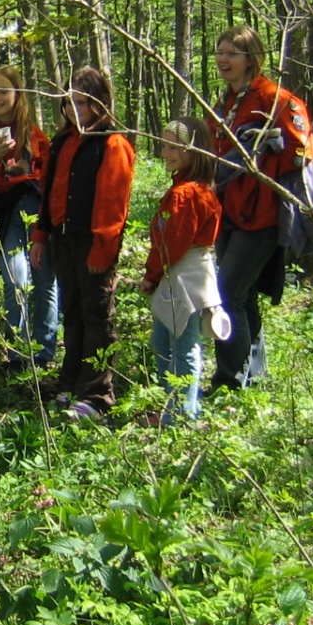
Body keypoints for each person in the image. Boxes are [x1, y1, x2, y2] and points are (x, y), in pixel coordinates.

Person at [207, 26, 313, 392]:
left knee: (227, 295)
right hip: (228, 212)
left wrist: (272, 146)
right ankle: (252, 376)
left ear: (251, 58)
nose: (223, 59)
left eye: (231, 53)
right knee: (243, 295)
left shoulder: (277, 100)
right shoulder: (223, 103)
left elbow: (303, 154)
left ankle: (228, 382)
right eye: (219, 53)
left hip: (263, 216)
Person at [30, 67, 136, 420]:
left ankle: (97, 395)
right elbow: (49, 194)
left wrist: (102, 249)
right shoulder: (62, 141)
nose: (73, 110)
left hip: (92, 244)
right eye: (68, 103)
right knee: (71, 313)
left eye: (82, 103)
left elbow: (113, 203)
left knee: (97, 315)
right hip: (62, 239)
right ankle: (70, 382)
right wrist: (41, 236)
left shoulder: (112, 144)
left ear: (99, 104)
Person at [0, 66, 59, 369]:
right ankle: (17, 354)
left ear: (17, 94)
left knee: (45, 278)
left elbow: (48, 179)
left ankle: (44, 352)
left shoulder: (33, 134)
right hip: (3, 212)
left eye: (3, 91)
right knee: (15, 277)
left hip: (35, 209)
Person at [139, 118, 226, 425]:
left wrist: (152, 274)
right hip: (183, 273)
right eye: (164, 145)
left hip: (183, 275)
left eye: (173, 147)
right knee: (165, 342)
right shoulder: (189, 189)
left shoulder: (187, 195)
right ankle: (172, 407)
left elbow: (172, 243)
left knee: (182, 344)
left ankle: (181, 414)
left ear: (194, 150)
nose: (165, 153)